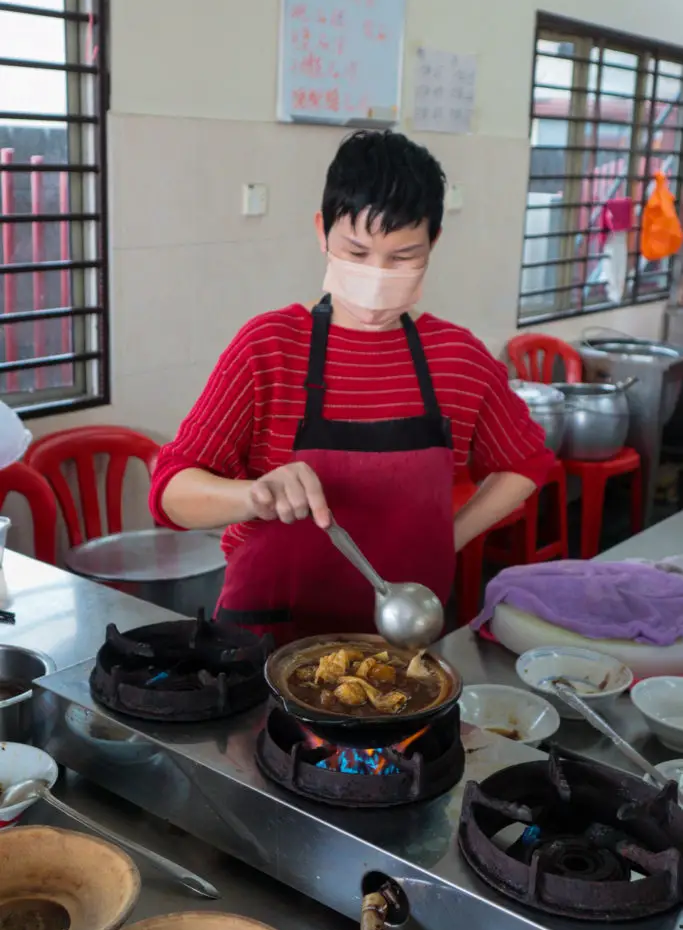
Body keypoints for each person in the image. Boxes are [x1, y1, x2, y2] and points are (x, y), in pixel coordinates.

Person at [149, 130, 553, 644]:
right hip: (264, 644)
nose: (376, 275)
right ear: (322, 232)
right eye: (356, 252)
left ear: (434, 243)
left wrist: (445, 540)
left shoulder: (458, 358)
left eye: (402, 256)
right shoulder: (269, 347)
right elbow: (171, 490)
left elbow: (526, 463)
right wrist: (253, 495)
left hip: (401, 644)